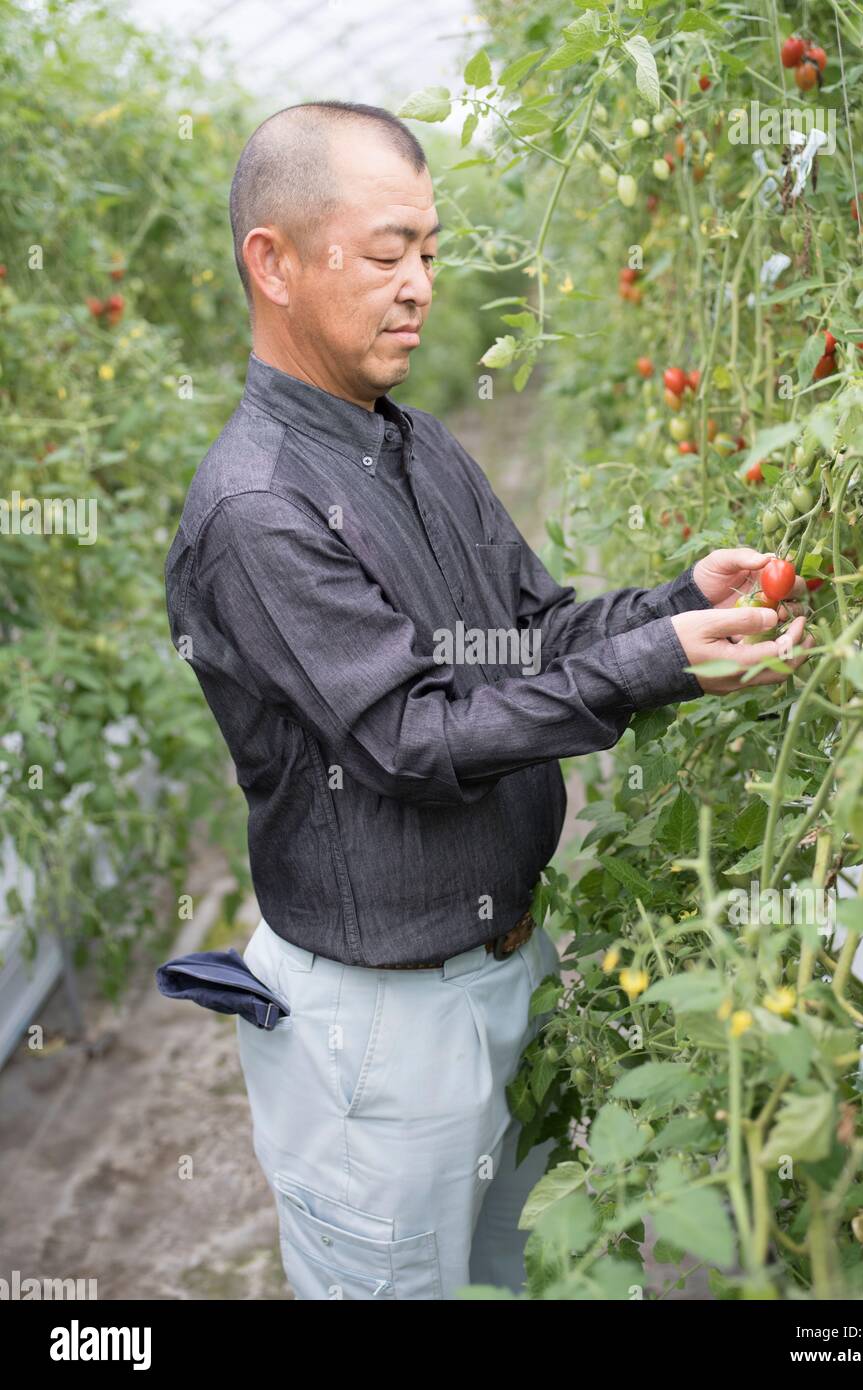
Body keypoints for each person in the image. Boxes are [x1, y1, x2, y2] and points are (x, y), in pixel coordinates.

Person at [163, 100, 812, 1301]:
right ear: (276, 263)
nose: (418, 285)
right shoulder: (261, 512)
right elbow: (410, 737)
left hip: (505, 974)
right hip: (381, 1037)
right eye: (385, 251)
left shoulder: (412, 445)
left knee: (510, 1279)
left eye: (430, 250)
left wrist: (678, 604)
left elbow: (534, 631)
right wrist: (656, 660)